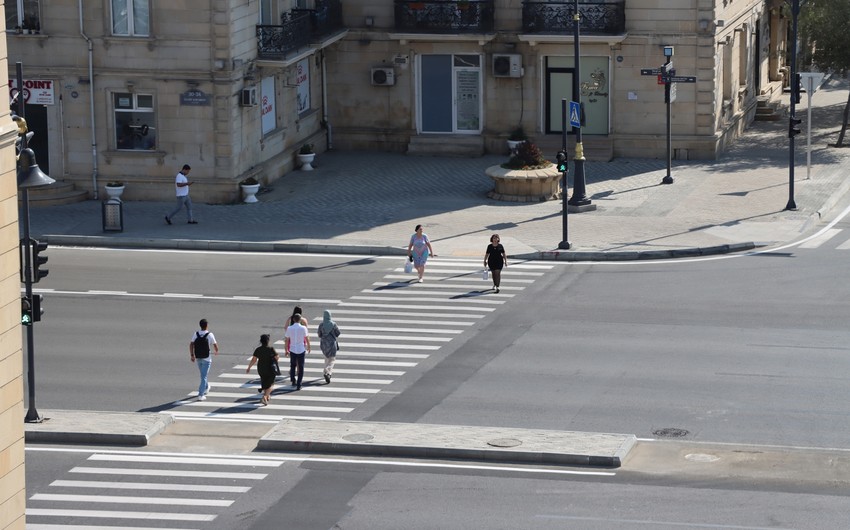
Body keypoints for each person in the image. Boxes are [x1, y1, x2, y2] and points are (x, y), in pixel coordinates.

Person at [189, 318, 218, 401]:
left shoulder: (196, 334)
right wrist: (216, 351)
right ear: (207, 326)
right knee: (203, 376)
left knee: (203, 375)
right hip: (207, 358)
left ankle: (206, 387)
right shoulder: (210, 334)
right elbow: (215, 345)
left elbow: (191, 344)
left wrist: (192, 355)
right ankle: (200, 394)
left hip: (198, 357)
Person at [246, 334, 279, 405]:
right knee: (271, 384)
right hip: (270, 369)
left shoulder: (258, 349)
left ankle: (267, 397)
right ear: (268, 341)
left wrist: (249, 367)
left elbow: (254, 360)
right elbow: (277, 357)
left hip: (261, 369)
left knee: (264, 383)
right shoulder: (271, 348)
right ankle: (265, 396)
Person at [284, 313, 310, 390]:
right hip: (301, 349)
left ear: (293, 320)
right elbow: (307, 338)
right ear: (300, 320)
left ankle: (293, 379)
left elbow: (287, 340)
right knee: (301, 367)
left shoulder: (289, 328)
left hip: (292, 349)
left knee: (292, 365)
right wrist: (309, 346)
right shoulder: (303, 328)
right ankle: (299, 384)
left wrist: (286, 349)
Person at [317, 310, 341, 384]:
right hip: (332, 344)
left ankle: (327, 374)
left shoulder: (321, 325)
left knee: (327, 358)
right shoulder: (333, 324)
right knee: (332, 359)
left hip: (324, 344)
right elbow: (338, 333)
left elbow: (319, 334)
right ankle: (327, 370)